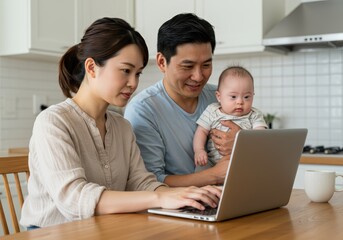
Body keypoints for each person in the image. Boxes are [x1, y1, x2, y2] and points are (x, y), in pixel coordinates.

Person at [20, 17, 221, 229]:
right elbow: (74, 199)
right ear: (91, 67)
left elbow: (141, 182)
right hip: (51, 233)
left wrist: (186, 195)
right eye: (125, 71)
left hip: (101, 230)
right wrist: (160, 199)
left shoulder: (121, 126)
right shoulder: (54, 122)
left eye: (138, 73)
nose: (133, 83)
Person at [124, 13, 240, 188]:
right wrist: (214, 176)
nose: (198, 76)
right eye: (187, 66)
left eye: (206, 65)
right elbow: (150, 182)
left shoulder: (219, 96)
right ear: (162, 62)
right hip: (174, 210)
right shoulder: (143, 109)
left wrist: (242, 141)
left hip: (227, 198)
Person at [193, 66, 267, 171]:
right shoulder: (212, 110)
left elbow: (260, 137)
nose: (240, 102)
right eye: (233, 97)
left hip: (242, 162)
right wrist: (199, 150)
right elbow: (201, 131)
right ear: (219, 96)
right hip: (211, 162)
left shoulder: (254, 115)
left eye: (246, 97)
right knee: (200, 168)